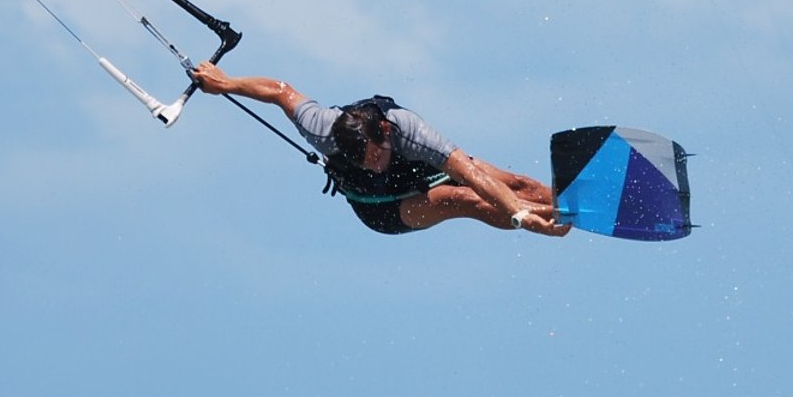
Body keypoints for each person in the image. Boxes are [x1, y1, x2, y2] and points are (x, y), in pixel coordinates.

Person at [188, 62, 567, 236]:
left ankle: (568, 208)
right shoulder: (323, 129)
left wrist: (518, 206)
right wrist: (225, 84)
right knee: (460, 197)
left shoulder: (412, 133)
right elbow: (279, 92)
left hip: (416, 171)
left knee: (507, 180)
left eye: (373, 156)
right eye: (360, 160)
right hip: (381, 209)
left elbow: (475, 174)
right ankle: (545, 221)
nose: (369, 166)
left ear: (386, 132)